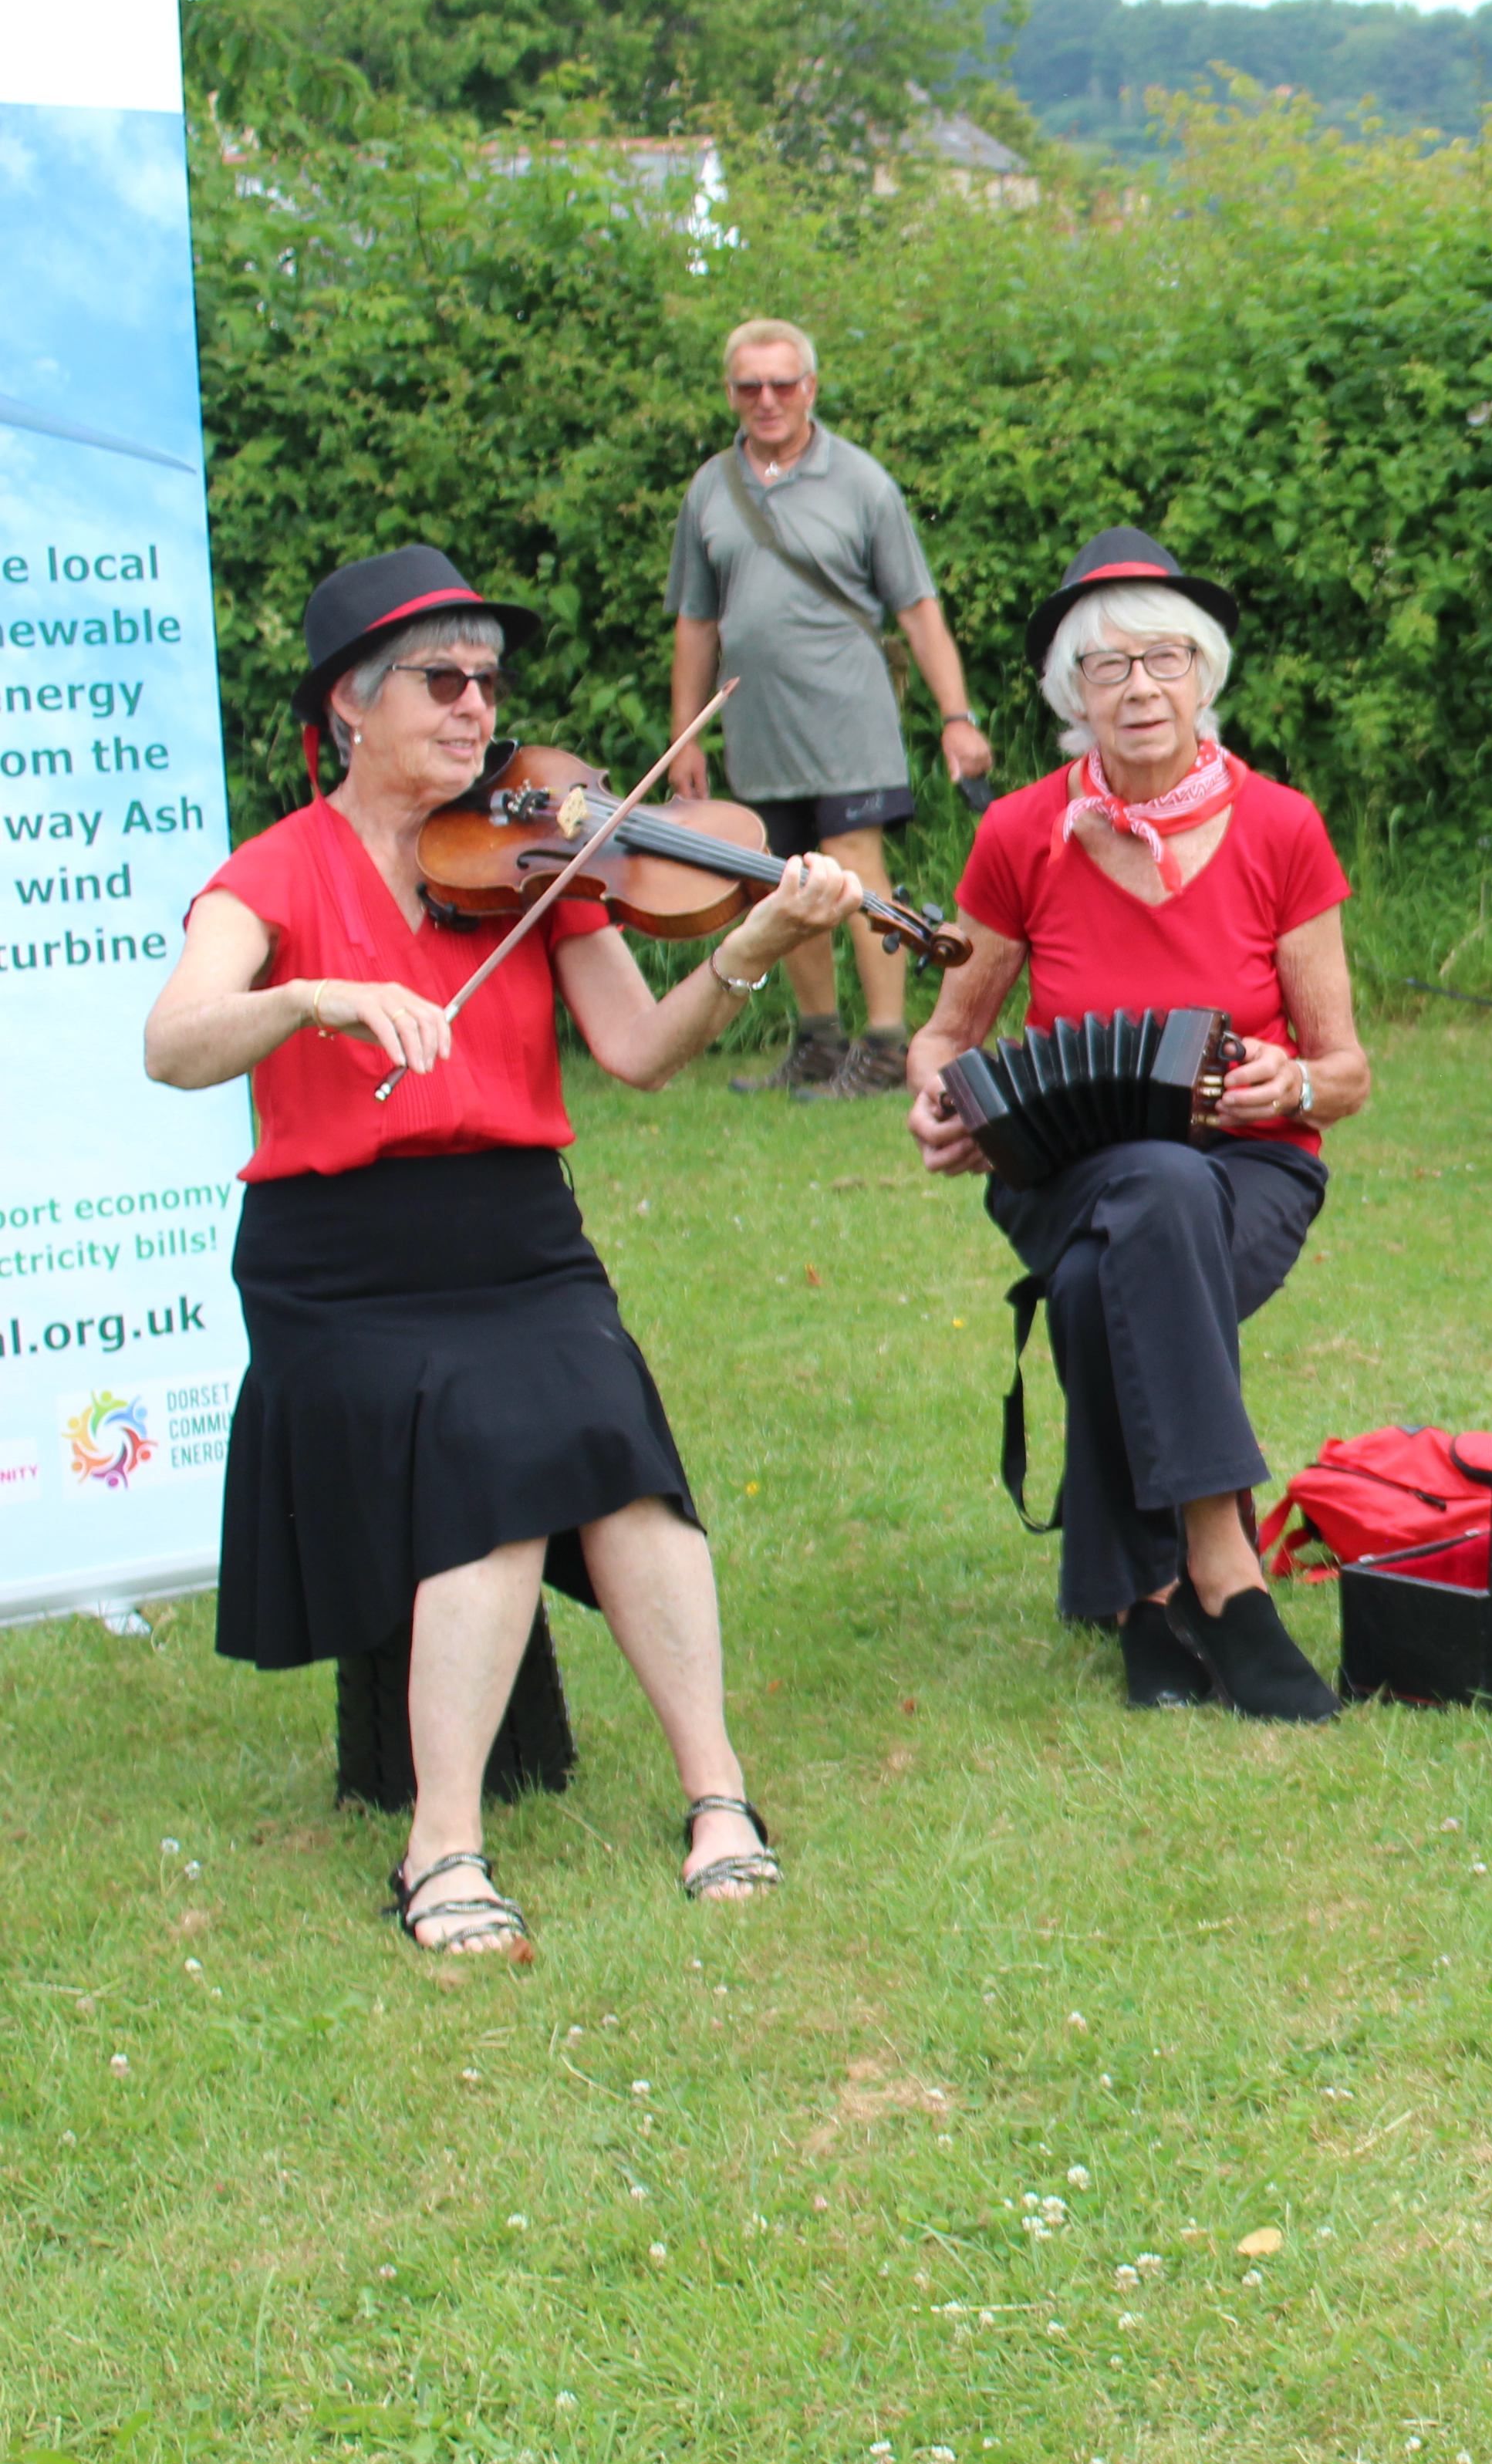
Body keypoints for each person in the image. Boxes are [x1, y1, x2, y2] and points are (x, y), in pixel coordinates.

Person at [145, 546, 870, 1957]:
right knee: (484, 1448)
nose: (478, 708)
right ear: (350, 708)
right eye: (443, 680)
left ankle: (718, 1796)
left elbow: (641, 1054)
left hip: (521, 1241)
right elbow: (173, 1046)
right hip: (339, 1266)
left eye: (488, 682)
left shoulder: (532, 865)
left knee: (616, 1433)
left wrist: (751, 944)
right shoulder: (270, 873)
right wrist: (309, 998)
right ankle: (442, 1847)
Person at [902, 530, 1369, 1719]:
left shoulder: (1281, 827)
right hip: (1063, 1170)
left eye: (1164, 658)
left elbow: (1348, 1069)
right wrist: (933, 1093)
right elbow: (948, 1033)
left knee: (1106, 1268)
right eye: (1107, 668)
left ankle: (1140, 1596)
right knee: (1146, 1187)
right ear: (1073, 695)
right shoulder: (1019, 832)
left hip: (1253, 1169)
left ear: (1204, 675)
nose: (1140, 687)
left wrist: (1294, 1086)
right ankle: (1226, 1570)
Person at [665, 316, 992, 1100]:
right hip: (758, 725)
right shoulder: (711, 487)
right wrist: (687, 736)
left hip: (849, 714)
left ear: (811, 387)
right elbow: (695, 623)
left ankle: (884, 1047)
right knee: (782, 882)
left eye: (784, 383)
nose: (768, 399)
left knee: (853, 870)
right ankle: (818, 1042)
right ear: (731, 393)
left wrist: (957, 715)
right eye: (751, 386)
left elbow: (917, 609)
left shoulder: (862, 481)